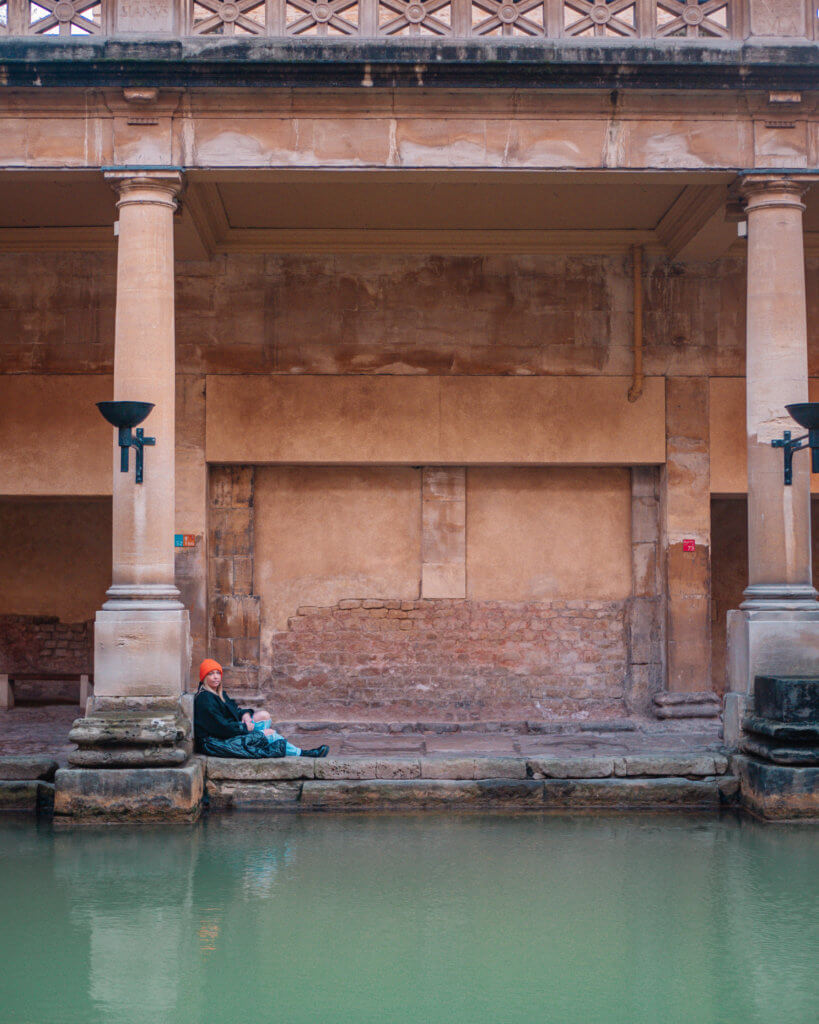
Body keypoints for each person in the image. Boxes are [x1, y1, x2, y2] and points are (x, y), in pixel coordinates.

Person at [194, 659, 328, 758]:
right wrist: (244, 728)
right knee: (269, 733)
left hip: (227, 731)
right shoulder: (205, 699)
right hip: (215, 742)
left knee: (264, 715)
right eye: (211, 674)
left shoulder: (219, 693)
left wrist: (245, 716)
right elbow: (220, 728)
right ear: (204, 677)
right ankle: (302, 753)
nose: (216, 676)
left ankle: (263, 738)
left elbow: (235, 710)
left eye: (218, 673)